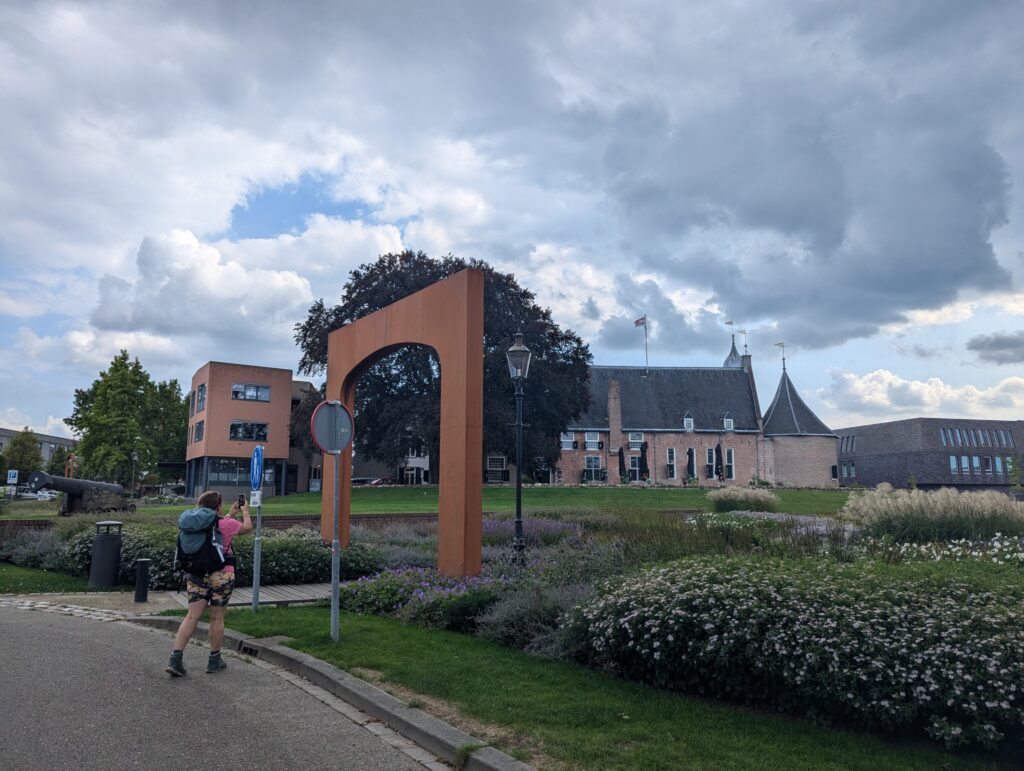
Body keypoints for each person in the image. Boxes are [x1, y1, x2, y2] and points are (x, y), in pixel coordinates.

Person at [166, 490, 252, 677]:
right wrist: (245, 511)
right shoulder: (226, 524)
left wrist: (230, 514)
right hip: (221, 575)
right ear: (218, 506)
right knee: (217, 618)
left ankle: (175, 658)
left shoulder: (193, 524)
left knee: (191, 616)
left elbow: (215, 528)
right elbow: (247, 528)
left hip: (196, 574)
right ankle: (214, 660)